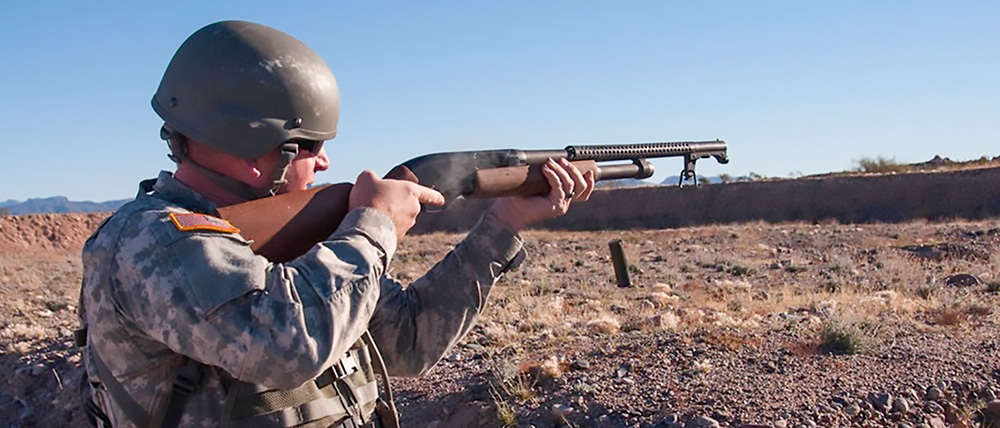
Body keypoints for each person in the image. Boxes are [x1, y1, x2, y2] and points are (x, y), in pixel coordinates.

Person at [76, 20, 595, 428]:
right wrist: (373, 226)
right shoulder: (149, 240)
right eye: (312, 146)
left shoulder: (299, 238)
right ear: (262, 153)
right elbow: (287, 345)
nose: (324, 163)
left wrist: (504, 222)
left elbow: (409, 341)